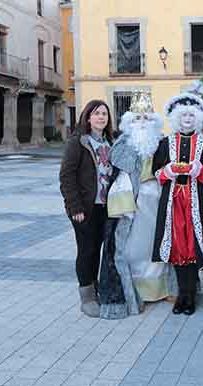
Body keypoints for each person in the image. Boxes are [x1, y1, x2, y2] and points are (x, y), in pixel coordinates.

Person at [98, 91, 176, 319]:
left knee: (158, 244)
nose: (142, 123)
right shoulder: (123, 143)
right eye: (138, 118)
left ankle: (161, 290)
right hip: (135, 202)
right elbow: (119, 167)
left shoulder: (162, 142)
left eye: (147, 118)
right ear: (130, 121)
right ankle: (137, 291)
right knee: (133, 248)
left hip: (158, 200)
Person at [152, 92, 203, 316]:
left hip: (196, 203)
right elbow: (156, 172)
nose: (187, 118)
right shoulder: (165, 143)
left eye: (191, 115)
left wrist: (200, 171)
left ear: (197, 118)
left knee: (192, 247)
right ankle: (183, 294)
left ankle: (190, 294)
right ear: (177, 118)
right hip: (173, 202)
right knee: (177, 247)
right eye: (183, 115)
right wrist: (167, 171)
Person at [59, 100, 115, 318]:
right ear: (88, 117)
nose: (101, 117)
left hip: (106, 207)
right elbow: (66, 176)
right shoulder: (78, 142)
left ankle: (98, 287)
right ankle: (87, 296)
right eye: (97, 113)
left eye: (104, 114)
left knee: (101, 250)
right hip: (85, 208)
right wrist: (75, 207)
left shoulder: (110, 142)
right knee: (87, 250)